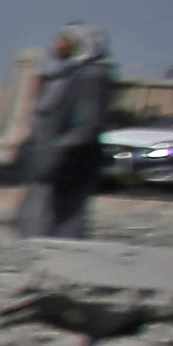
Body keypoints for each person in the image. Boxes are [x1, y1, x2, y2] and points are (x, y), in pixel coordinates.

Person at [16, 24, 114, 240]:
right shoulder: (63, 75)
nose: (57, 45)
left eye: (64, 41)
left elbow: (87, 124)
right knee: (34, 216)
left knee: (61, 220)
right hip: (48, 159)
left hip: (69, 162)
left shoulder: (91, 76)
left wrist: (59, 150)